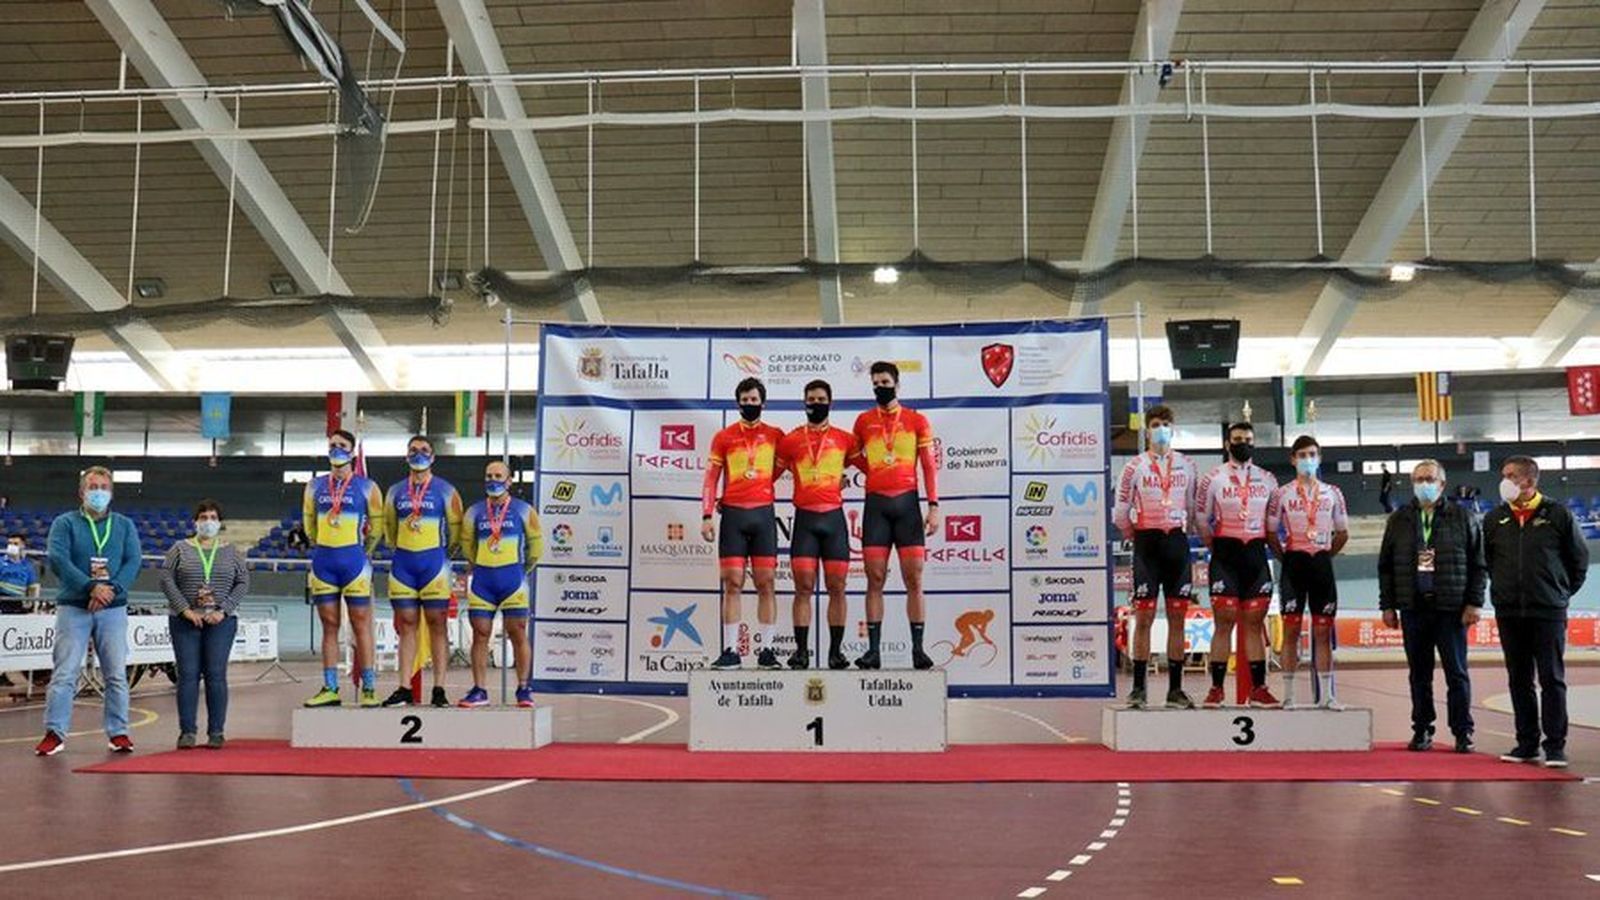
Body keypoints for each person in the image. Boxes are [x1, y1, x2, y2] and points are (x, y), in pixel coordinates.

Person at [1484, 456, 1589, 767]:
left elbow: (1579, 560)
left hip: (1548, 611)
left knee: (1551, 678)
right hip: (1509, 611)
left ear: (1528, 481)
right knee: (1519, 679)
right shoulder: (1495, 518)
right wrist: (1502, 592)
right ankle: (1526, 743)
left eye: (1510, 475)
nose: (1503, 481)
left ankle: (1555, 746)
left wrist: (1559, 593)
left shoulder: (1558, 515)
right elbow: (1487, 561)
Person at [1378, 459, 1485, 753]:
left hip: (1451, 608)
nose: (1424, 484)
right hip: (1413, 607)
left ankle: (1462, 731)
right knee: (1419, 674)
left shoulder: (1463, 517)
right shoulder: (1399, 519)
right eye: (1419, 479)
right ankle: (1422, 728)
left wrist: (1475, 602)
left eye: (1429, 479)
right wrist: (1388, 605)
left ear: (1442, 484)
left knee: (1457, 673)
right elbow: (1385, 567)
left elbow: (1479, 564)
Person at [34, 466, 142, 756]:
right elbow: (59, 559)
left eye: (104, 487)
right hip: (74, 607)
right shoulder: (64, 523)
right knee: (65, 672)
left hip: (113, 608)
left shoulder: (124, 525)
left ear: (111, 493)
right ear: (81, 492)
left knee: (116, 674)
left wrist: (110, 590)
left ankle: (119, 732)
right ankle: (54, 732)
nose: (98, 492)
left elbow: (133, 561)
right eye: (93, 487)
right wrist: (90, 587)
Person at [851, 361, 940, 670]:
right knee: (874, 578)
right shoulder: (863, 421)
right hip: (876, 506)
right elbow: (852, 454)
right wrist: (875, 471)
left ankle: (918, 650)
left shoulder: (916, 420)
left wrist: (933, 506)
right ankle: (873, 652)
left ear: (897, 384)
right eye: (876, 383)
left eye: (885, 382)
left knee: (914, 577)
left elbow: (928, 465)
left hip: (907, 506)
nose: (880, 387)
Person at [1112, 404, 1199, 709]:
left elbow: (1193, 508)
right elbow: (1120, 511)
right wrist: (1134, 535)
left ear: (1172, 429)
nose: (1161, 429)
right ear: (1147, 430)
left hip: (1176, 544)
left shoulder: (1187, 465)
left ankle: (1175, 690)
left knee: (1178, 620)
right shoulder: (1134, 467)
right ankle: (1138, 689)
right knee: (1144, 618)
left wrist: (1183, 533)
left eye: (1165, 424)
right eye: (1155, 425)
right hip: (1146, 545)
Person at [702, 377, 786, 669]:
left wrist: (761, 483)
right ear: (738, 403)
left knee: (766, 583)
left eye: (754, 400)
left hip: (763, 515)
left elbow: (794, 462)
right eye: (745, 400)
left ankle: (767, 652)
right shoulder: (723, 437)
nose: (749, 404)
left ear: (763, 402)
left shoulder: (776, 435)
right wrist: (706, 515)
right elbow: (711, 479)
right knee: (732, 583)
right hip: (733, 517)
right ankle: (730, 651)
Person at [1196, 423, 1280, 708]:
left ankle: (1259, 688)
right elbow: (1201, 519)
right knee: (1223, 623)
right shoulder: (1213, 478)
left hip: (1256, 556)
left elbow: (1272, 523)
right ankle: (1216, 689)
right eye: (1238, 439)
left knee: (1254, 625)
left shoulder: (1268, 479)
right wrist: (1217, 547)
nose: (1243, 443)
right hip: (1225, 557)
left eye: (1248, 439)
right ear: (1227, 444)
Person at [775, 379, 857, 670]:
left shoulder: (845, 439)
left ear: (830, 403)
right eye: (811, 399)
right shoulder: (790, 440)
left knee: (837, 587)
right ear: (804, 402)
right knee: (803, 588)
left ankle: (836, 653)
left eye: (821, 399)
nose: (816, 404)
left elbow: (873, 467)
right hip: (805, 521)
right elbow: (767, 477)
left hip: (834, 519)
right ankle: (801, 653)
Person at [302, 429, 386, 708]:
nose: (336, 449)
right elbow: (310, 526)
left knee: (361, 624)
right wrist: (324, 544)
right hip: (324, 562)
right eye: (332, 445)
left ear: (352, 451)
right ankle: (330, 688)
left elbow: (377, 529)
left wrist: (362, 551)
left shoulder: (368, 487)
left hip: (355, 563)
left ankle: (369, 689)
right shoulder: (313, 486)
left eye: (341, 445)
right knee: (329, 626)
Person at [1265, 436, 1350, 709]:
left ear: (1319, 457)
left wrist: (1325, 555)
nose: (1307, 459)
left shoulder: (1333, 493)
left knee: (1323, 631)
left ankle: (1327, 696)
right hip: (1294, 565)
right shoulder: (1281, 494)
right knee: (1290, 631)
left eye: (1312, 454)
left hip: (1321, 565)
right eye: (1302, 455)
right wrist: (1288, 557)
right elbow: (1270, 533)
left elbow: (1343, 532)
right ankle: (1289, 695)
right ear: (1293, 459)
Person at [159, 500, 249, 750]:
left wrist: (223, 610)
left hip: (221, 622)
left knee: (216, 675)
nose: (208, 522)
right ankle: (187, 731)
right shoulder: (179, 549)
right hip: (184, 621)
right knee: (187, 675)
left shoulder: (232, 552)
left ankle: (216, 731)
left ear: (219, 523)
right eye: (203, 517)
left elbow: (243, 582)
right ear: (195, 522)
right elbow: (166, 579)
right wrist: (185, 610)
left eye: (212, 517)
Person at [382, 435, 464, 707]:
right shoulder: (395, 491)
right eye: (413, 450)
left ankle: (439, 688)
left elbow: (456, 531)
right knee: (406, 625)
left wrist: (441, 554)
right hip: (403, 565)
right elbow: (389, 530)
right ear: (406, 455)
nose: (418, 454)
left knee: (437, 624)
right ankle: (404, 687)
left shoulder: (446, 490)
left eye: (424, 450)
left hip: (434, 565)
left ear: (433, 456)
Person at [458, 460, 541, 707]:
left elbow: (536, 548)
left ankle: (523, 688)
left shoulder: (524, 510)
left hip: (513, 580)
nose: (492, 480)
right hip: (483, 582)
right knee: (480, 634)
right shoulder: (474, 512)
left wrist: (521, 570)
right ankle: (479, 690)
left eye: (498, 476)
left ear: (509, 480)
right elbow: (467, 546)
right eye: (489, 476)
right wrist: (481, 564)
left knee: (518, 632)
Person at [1, 532, 41, 613]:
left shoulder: (27, 566)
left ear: (22, 546)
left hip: (18, 601)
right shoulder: (0, 562)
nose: (11, 546)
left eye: (15, 544)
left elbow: (33, 587)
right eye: (10, 543)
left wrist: (33, 607)